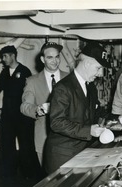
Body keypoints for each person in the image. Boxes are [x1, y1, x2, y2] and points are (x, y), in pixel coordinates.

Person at [43, 41, 110, 174]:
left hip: (82, 152)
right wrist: (88, 131)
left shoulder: (90, 87)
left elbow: (95, 113)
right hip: (62, 155)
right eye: (98, 68)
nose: (100, 74)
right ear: (86, 64)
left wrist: (119, 118)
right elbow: (57, 123)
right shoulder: (63, 88)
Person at [20, 42, 69, 169]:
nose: (55, 61)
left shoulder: (69, 78)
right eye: (50, 57)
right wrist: (38, 110)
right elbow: (25, 106)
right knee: (49, 180)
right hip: (44, 139)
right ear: (42, 59)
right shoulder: (32, 81)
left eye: (57, 57)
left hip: (69, 138)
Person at [0, 45, 36, 179]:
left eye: (5, 56)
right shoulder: (5, 72)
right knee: (7, 146)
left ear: (12, 56)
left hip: (22, 117)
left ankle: (28, 176)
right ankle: (8, 176)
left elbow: (29, 95)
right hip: (8, 117)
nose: (3, 59)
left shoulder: (24, 71)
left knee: (26, 146)